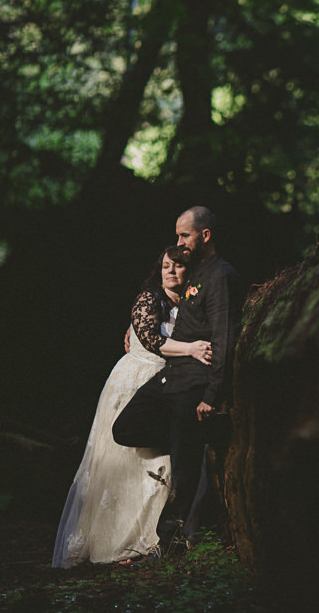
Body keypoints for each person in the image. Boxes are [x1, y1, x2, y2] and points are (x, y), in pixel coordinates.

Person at [52, 247, 213, 568]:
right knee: (124, 462)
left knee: (164, 461)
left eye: (178, 266)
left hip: (169, 382)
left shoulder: (190, 304)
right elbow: (151, 338)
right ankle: (116, 539)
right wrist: (191, 349)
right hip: (135, 381)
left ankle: (156, 536)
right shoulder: (149, 298)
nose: (171, 271)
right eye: (165, 266)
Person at [113, 206, 244, 546]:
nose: (179, 242)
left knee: (184, 472)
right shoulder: (195, 272)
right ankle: (195, 436)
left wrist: (212, 396)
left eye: (185, 235)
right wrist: (136, 329)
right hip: (170, 380)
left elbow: (223, 338)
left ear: (205, 235)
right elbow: (165, 302)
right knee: (123, 428)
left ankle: (169, 543)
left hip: (194, 386)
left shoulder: (220, 276)